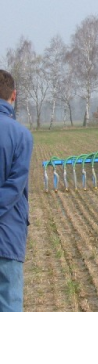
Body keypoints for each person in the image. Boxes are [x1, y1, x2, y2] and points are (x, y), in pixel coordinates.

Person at [0, 70, 33, 312]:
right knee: (9, 304)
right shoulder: (22, 135)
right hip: (8, 235)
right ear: (14, 95)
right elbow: (14, 186)